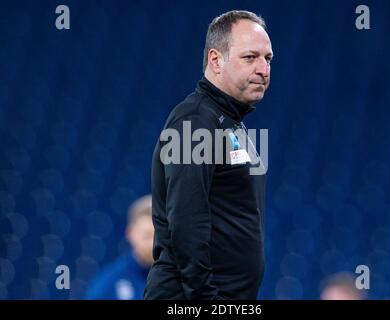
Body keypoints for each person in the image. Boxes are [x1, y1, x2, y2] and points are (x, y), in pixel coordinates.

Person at [144, 10, 273, 300]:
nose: (263, 69)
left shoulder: (228, 123)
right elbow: (186, 221)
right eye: (250, 57)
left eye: (268, 59)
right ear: (216, 60)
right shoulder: (195, 121)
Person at [85, 195, 154, 300]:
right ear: (130, 233)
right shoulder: (108, 283)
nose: (153, 243)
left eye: (159, 236)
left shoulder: (182, 277)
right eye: (147, 236)